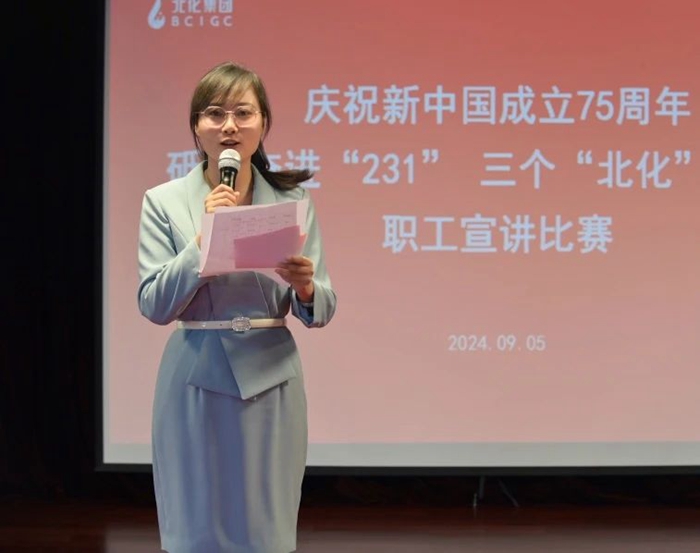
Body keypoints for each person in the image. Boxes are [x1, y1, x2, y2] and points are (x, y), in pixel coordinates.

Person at [136, 60, 337, 553]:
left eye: (243, 113)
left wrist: (306, 289)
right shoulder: (163, 201)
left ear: (263, 124)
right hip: (195, 371)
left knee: (265, 524)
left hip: (272, 371)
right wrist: (203, 241)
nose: (229, 125)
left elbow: (323, 304)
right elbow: (154, 304)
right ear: (196, 127)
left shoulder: (291, 199)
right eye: (215, 113)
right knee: (196, 520)